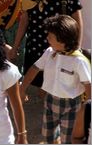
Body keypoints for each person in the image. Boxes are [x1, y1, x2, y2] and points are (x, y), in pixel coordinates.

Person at [10, 0, 83, 88]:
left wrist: (77, 49)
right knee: (35, 86)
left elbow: (77, 21)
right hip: (34, 47)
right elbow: (25, 18)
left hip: (59, 48)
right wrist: (16, 46)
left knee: (55, 87)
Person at [20, 15, 91, 144]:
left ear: (63, 40)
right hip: (50, 101)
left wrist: (88, 108)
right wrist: (22, 88)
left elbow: (88, 84)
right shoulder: (49, 52)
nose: (47, 38)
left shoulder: (78, 61)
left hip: (71, 105)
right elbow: (34, 69)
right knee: (48, 135)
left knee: (68, 139)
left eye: (50, 36)